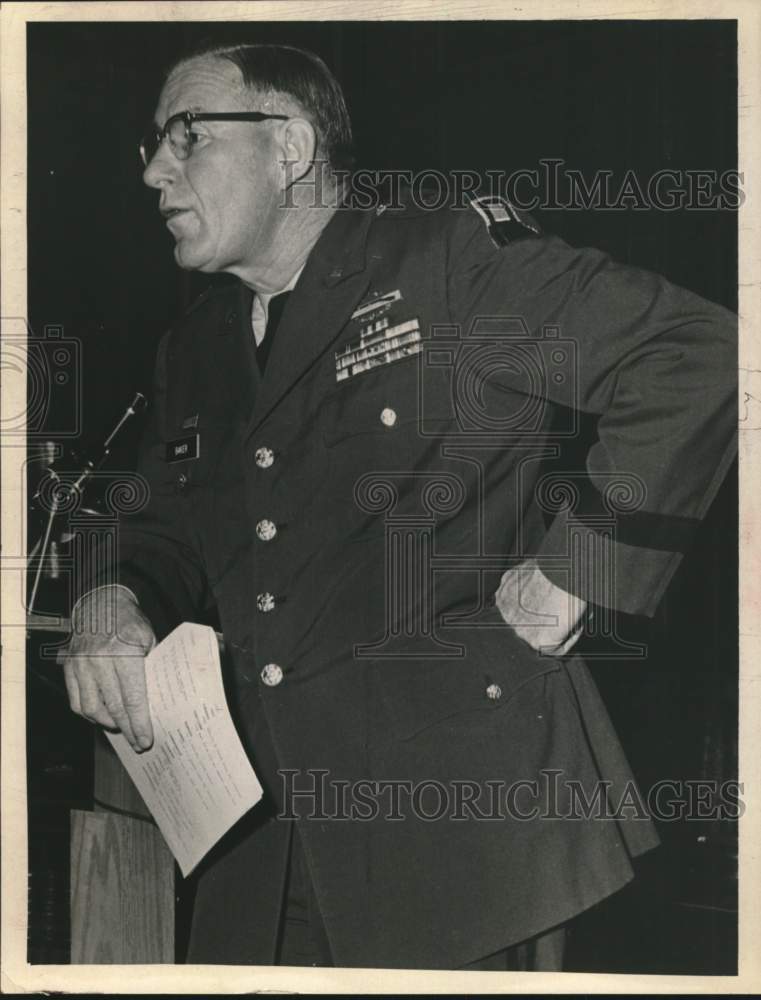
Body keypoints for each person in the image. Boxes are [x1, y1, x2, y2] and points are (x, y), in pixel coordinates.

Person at [62, 42, 737, 970]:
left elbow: (694, 355)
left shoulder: (446, 259)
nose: (152, 172)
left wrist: (575, 569)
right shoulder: (197, 345)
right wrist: (115, 598)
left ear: (290, 146)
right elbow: (166, 527)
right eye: (152, 146)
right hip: (256, 847)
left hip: (453, 844)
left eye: (185, 137)